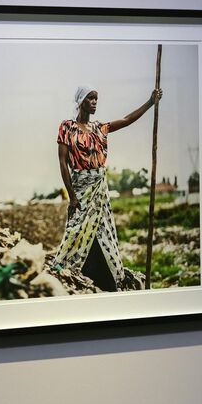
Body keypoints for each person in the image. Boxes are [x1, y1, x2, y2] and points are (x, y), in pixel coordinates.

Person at [54, 85, 162, 292]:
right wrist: (72, 196)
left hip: (99, 188)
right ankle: (72, 269)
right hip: (80, 186)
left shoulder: (99, 128)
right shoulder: (67, 127)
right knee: (77, 229)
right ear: (81, 101)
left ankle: (106, 276)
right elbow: (62, 163)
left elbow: (127, 120)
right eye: (90, 98)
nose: (95, 102)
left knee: (102, 229)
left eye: (96, 99)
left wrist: (150, 102)